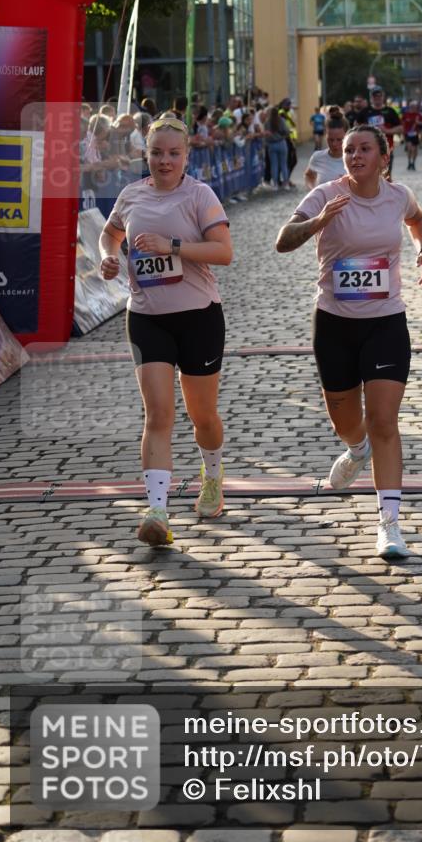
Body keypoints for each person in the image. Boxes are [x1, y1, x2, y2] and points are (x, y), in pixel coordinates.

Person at [275, 124, 422, 560]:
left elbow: (417, 220)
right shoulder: (325, 195)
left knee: (384, 420)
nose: (355, 156)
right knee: (347, 420)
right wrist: (318, 221)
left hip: (386, 322)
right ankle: (355, 447)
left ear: (384, 156)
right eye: (349, 150)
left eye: (365, 148)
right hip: (334, 323)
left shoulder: (398, 196)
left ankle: (390, 524)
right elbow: (282, 241)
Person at [98, 113, 233, 546]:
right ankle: (156, 511)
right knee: (158, 414)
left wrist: (171, 246)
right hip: (147, 317)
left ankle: (212, 475)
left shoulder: (200, 195)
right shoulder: (131, 194)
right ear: (146, 153)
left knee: (202, 416)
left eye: (173, 153)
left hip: (198, 316)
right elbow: (109, 233)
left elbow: (224, 252)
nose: (164, 161)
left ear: (186, 156)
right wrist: (110, 257)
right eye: (157, 153)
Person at [356, 87, 401, 180]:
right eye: (375, 96)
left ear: (383, 97)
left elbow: (400, 128)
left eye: (379, 96)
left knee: (386, 176)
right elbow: (355, 128)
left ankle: (387, 193)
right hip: (368, 150)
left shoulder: (390, 111)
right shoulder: (365, 112)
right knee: (370, 175)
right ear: (371, 98)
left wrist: (387, 131)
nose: (377, 98)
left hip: (386, 149)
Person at [304, 106, 347, 189]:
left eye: (339, 140)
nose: (334, 144)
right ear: (325, 135)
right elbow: (308, 175)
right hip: (324, 202)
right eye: (330, 140)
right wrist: (314, 191)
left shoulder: (354, 159)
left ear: (346, 136)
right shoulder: (317, 157)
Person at [264, 105, 291, 190]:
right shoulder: (281, 120)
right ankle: (286, 184)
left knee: (274, 165)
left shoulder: (267, 122)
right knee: (283, 164)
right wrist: (282, 136)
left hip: (271, 145)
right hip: (281, 143)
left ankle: (275, 184)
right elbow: (287, 131)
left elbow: (266, 134)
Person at [401, 100, 422, 170]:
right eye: (412, 106)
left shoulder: (419, 115)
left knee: (415, 150)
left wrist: (419, 122)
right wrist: (402, 135)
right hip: (407, 134)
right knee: (410, 149)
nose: (413, 108)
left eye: (414, 107)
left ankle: (413, 163)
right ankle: (409, 162)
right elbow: (402, 124)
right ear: (409, 107)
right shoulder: (406, 114)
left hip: (415, 134)